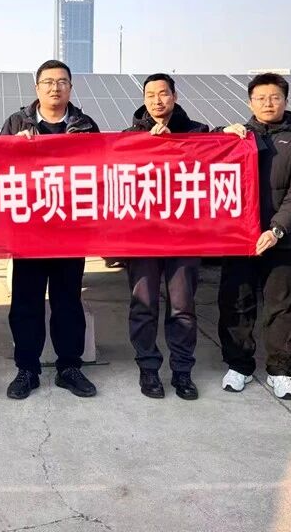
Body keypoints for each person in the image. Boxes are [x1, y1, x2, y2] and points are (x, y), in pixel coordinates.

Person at [0, 59, 100, 399]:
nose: (55, 88)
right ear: (37, 88)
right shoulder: (17, 123)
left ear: (70, 87)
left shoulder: (85, 125)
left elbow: (100, 171)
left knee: (67, 301)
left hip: (71, 230)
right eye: (48, 82)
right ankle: (27, 369)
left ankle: (69, 367)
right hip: (28, 231)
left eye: (61, 82)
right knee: (26, 302)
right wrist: (14, 147)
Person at [218, 72, 291, 400]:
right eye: (260, 98)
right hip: (239, 239)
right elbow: (202, 155)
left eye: (275, 97)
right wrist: (221, 133)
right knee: (236, 302)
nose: (268, 103)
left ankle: (281, 370)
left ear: (285, 101)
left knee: (283, 306)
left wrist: (277, 229)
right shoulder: (237, 136)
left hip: (281, 239)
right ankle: (239, 365)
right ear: (250, 103)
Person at [124, 73, 209, 400]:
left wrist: (179, 144)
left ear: (174, 96)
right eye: (150, 95)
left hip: (184, 236)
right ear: (143, 99)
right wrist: (147, 143)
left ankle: (182, 372)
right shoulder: (130, 137)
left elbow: (216, 157)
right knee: (143, 305)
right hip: (142, 237)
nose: (157, 100)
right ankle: (148, 369)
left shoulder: (197, 132)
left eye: (163, 93)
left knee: (182, 306)